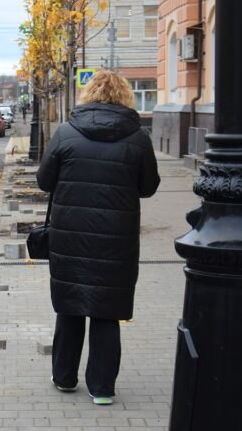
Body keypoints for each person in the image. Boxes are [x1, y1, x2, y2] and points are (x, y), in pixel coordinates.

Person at [36, 70, 160, 406]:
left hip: (70, 238)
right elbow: (148, 187)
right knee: (107, 311)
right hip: (115, 241)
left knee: (70, 307)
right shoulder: (138, 138)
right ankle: (102, 388)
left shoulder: (66, 132)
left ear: (87, 94)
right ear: (125, 97)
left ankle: (64, 379)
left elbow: (45, 182)